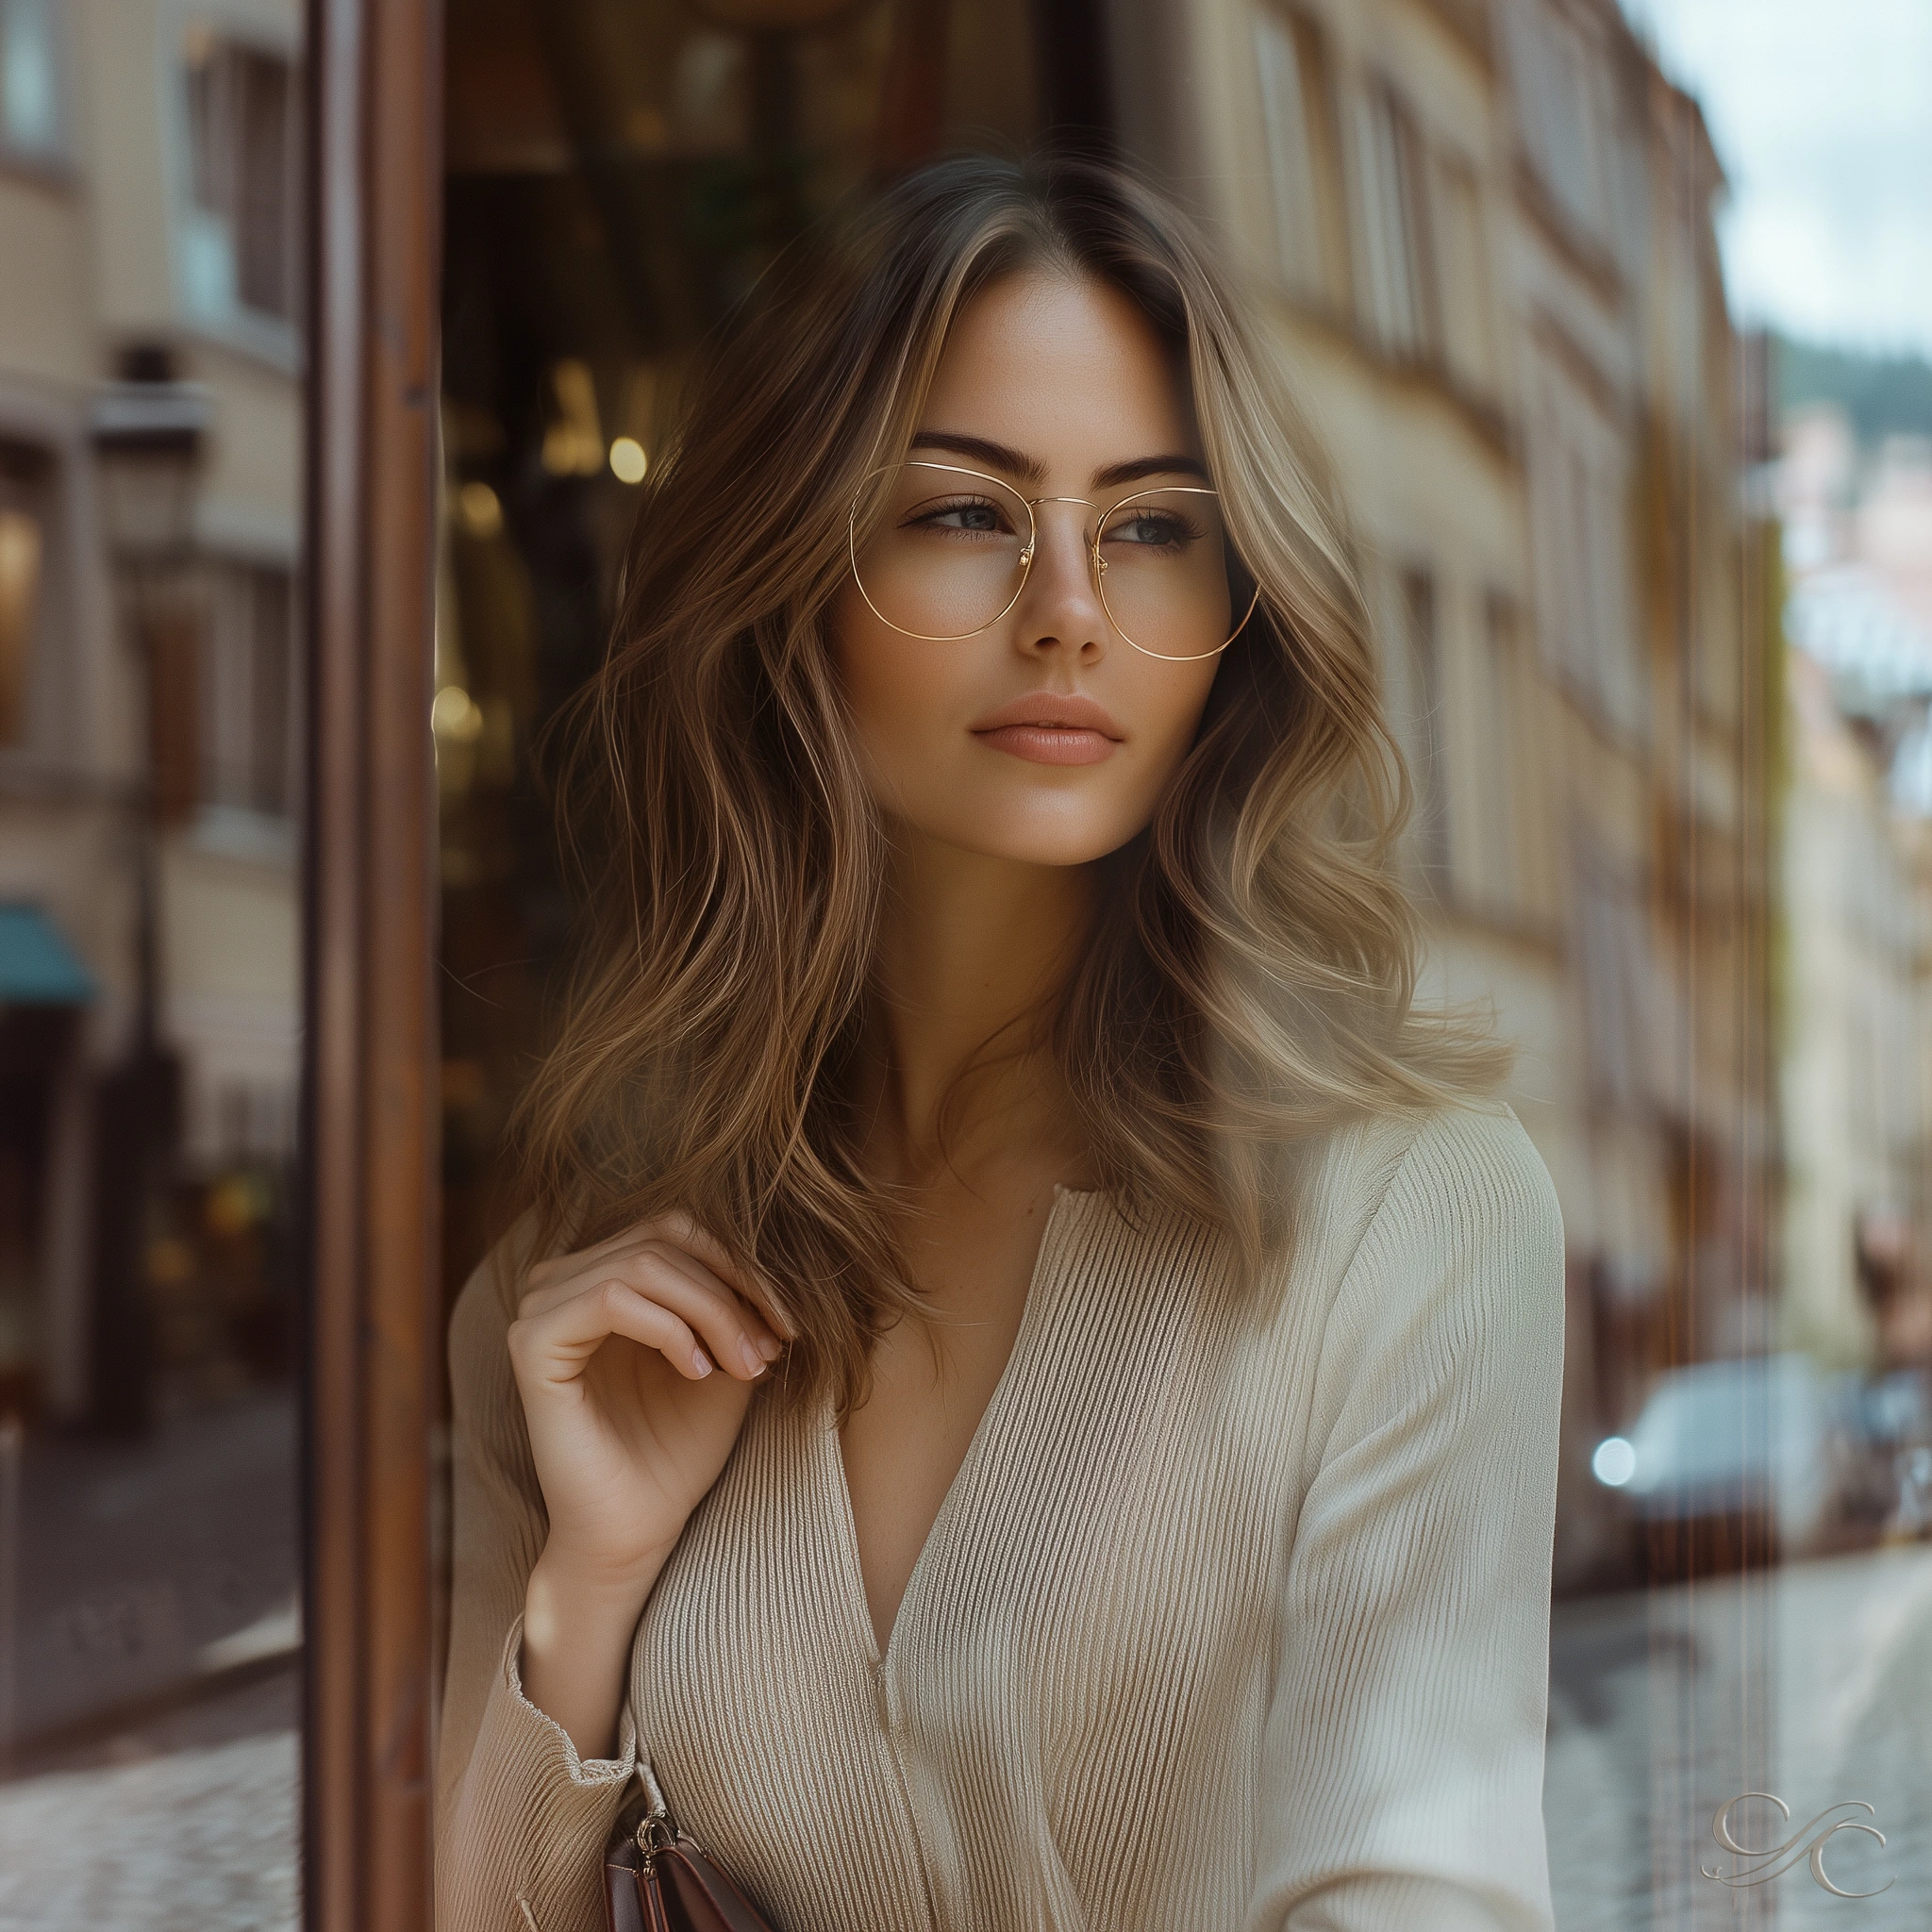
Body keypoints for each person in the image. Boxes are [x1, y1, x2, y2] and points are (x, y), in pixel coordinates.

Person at [435, 154, 1564, 1932]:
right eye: (963, 512)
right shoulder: (576, 1307)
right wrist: (592, 1589)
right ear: (792, 579)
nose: (1069, 607)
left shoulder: (1409, 1212)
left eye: (1155, 526)